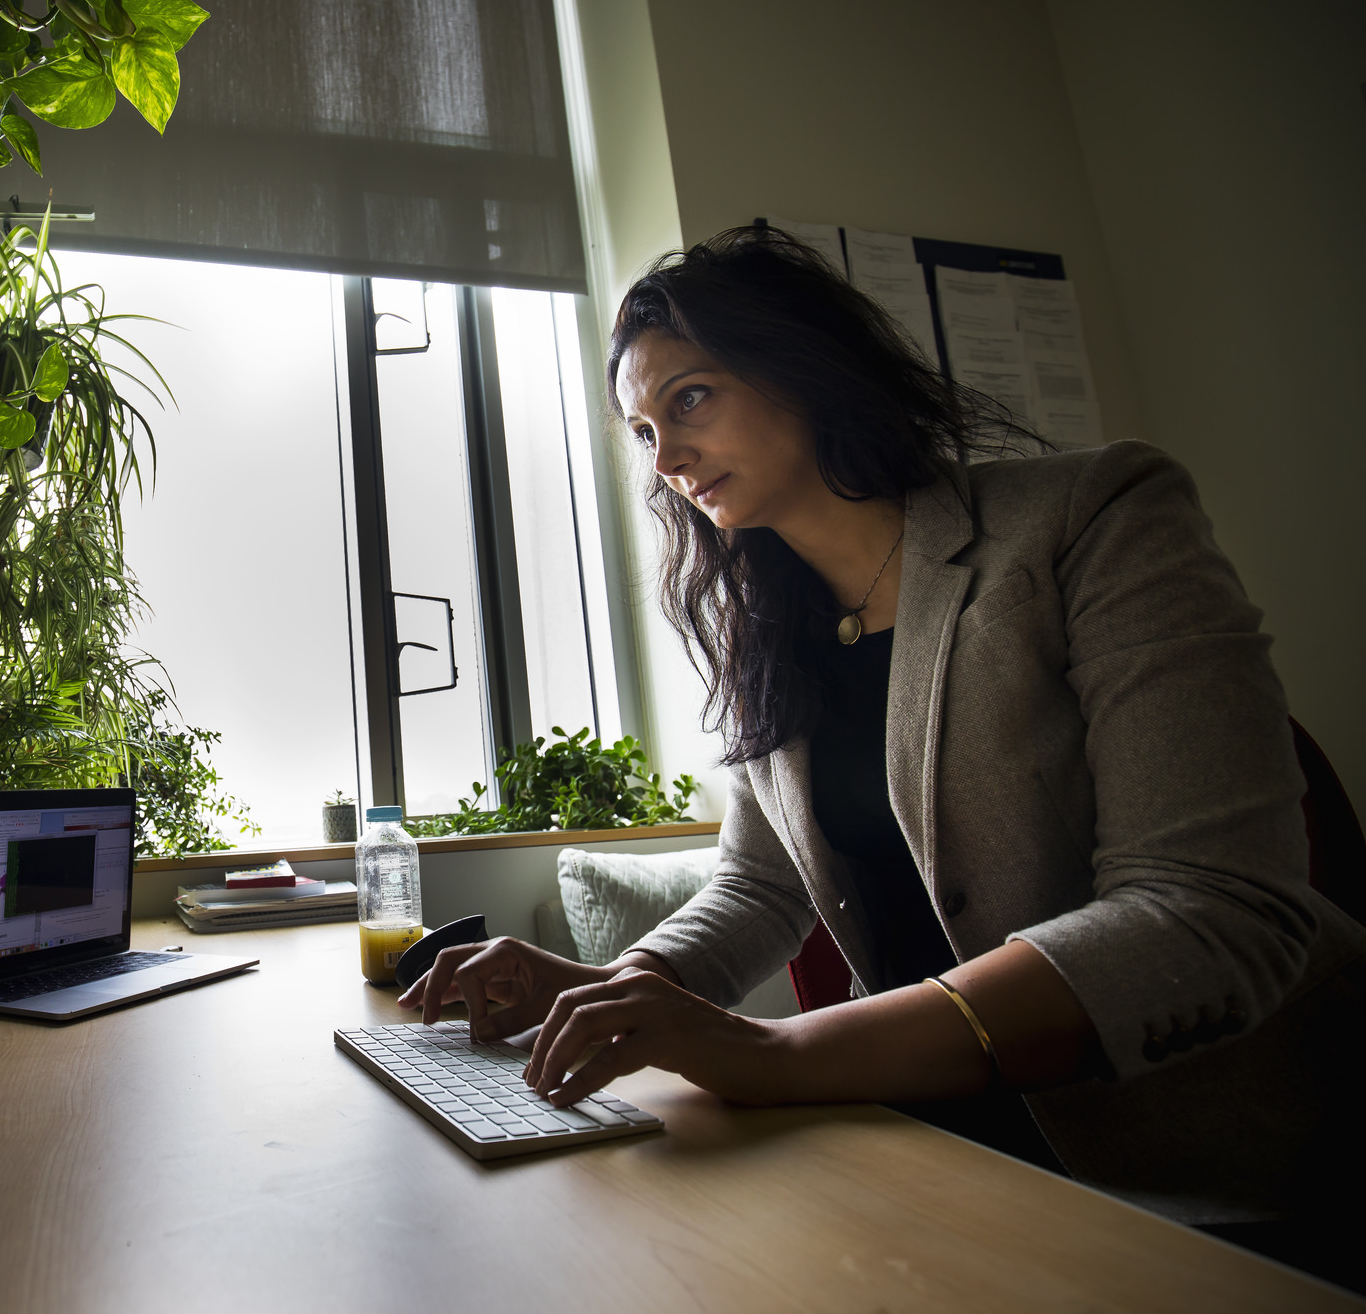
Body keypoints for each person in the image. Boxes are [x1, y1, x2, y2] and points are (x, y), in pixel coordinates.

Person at [398, 226, 1365, 1237]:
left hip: (1221, 1155)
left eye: (688, 399)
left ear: (806, 365)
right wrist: (618, 986)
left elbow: (1206, 905)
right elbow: (757, 885)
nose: (667, 456)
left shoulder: (1092, 516)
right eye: (643, 432)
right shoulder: (765, 628)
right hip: (939, 1145)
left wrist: (774, 1053)